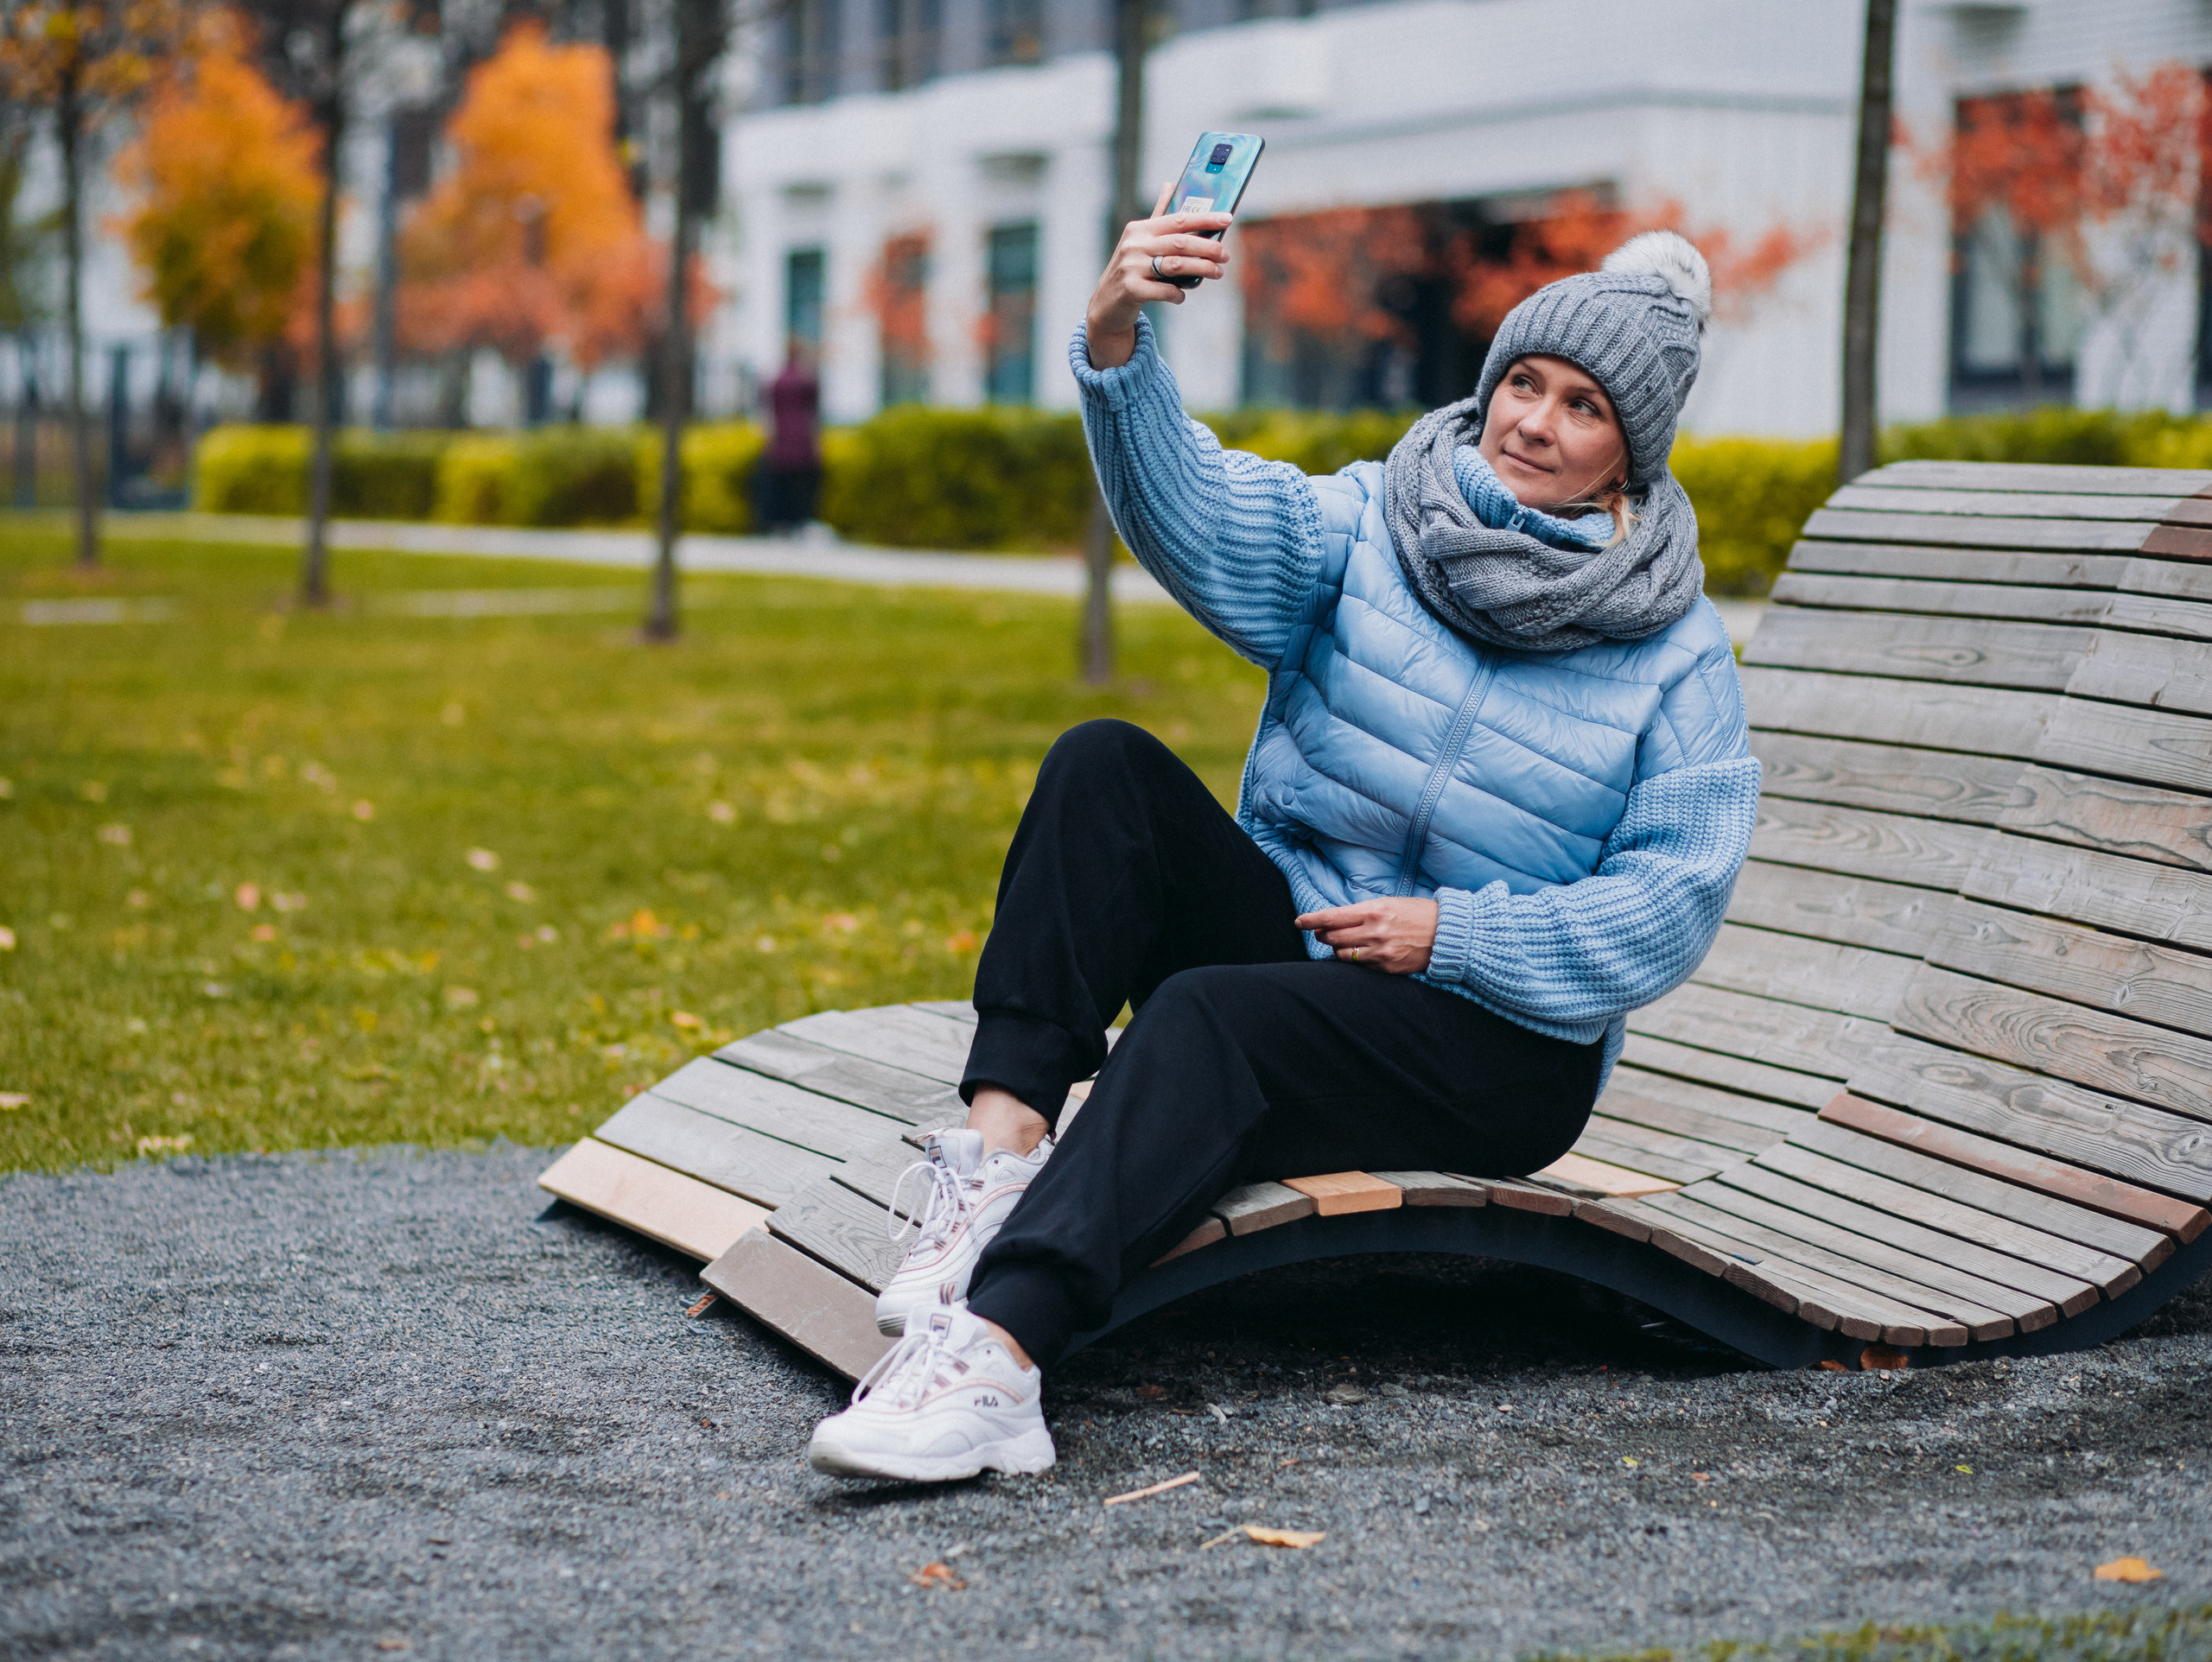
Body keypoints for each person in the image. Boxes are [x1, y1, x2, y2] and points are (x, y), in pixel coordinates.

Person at [806, 189, 1759, 1484]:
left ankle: (1001, 1354)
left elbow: (1670, 905)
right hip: (1314, 936)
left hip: (1498, 1040)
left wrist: (1453, 936)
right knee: (1108, 767)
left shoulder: (1677, 653)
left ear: (1630, 449)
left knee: (1205, 1016)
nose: (1535, 422)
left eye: (1583, 405)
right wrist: (1117, 341)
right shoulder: (1385, 521)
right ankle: (996, 1169)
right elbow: (1195, 512)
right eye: (1523, 382)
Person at [756, 341, 822, 534]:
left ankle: (781, 523)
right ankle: (800, 521)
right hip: (802, 441)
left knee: (782, 484)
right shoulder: (806, 380)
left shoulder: (777, 380)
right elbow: (814, 412)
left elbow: (768, 411)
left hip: (782, 441)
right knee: (801, 486)